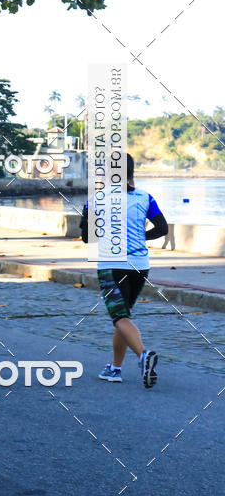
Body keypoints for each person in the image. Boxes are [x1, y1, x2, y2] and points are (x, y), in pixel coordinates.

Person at [80, 153, 168, 388]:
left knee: (119, 317)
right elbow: (162, 228)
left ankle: (143, 355)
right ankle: (115, 369)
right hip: (140, 266)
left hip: (111, 265)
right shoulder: (145, 197)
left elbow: (88, 237)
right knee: (124, 317)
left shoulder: (96, 199)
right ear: (132, 172)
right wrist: (140, 236)